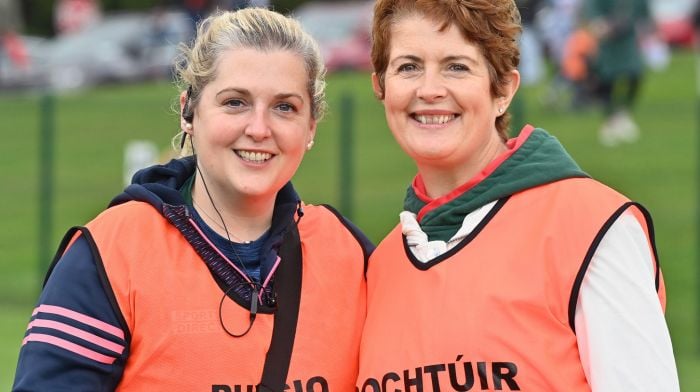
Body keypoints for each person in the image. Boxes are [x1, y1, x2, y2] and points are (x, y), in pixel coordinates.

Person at [14, 8, 373, 391]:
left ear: (310, 128)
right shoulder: (112, 251)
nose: (258, 128)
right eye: (235, 102)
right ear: (189, 111)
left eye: (284, 107)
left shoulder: (349, 254)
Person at [356, 0, 678, 390]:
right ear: (380, 86)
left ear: (503, 91)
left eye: (457, 66)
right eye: (408, 67)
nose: (429, 90)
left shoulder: (587, 226)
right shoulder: (380, 268)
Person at [583, 0, 652, 147]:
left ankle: (624, 113)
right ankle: (609, 120)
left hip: (628, 40)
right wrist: (603, 26)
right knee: (607, 80)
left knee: (635, 74)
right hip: (608, 44)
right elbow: (594, 19)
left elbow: (644, 15)